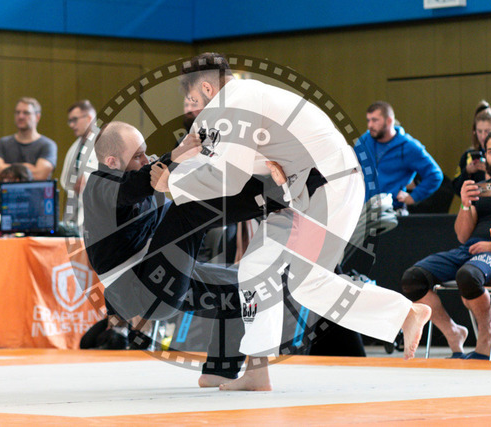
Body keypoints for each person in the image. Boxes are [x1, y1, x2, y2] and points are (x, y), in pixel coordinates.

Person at [149, 53, 430, 391]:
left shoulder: (238, 103)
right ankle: (257, 371)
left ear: (207, 89)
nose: (192, 108)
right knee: (254, 268)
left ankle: (405, 314)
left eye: (193, 99)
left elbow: (229, 178)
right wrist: (177, 162)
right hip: (299, 195)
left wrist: (172, 182)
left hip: (328, 187)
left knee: (307, 282)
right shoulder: (240, 102)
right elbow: (217, 159)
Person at [84, 121, 256, 387]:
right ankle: (267, 200)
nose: (146, 159)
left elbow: (159, 182)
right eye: (138, 156)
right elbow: (135, 185)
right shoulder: (99, 185)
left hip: (159, 283)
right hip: (140, 289)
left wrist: (198, 155)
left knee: (242, 285)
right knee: (186, 208)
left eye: (146, 152)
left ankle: (220, 371)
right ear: (112, 162)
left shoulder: (145, 186)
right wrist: (175, 156)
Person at [401, 129, 491, 360]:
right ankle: (453, 332)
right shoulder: (482, 188)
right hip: (469, 250)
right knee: (413, 278)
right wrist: (465, 204)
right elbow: (462, 235)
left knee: (468, 276)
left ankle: (486, 336)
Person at [354, 101, 443, 211]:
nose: (370, 125)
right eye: (368, 120)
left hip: (392, 210)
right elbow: (352, 170)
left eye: (375, 120)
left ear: (389, 121)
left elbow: (435, 175)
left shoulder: (409, 147)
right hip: (363, 209)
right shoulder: (364, 141)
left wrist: (413, 197)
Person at [0, 97, 57, 180]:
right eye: (17, 112)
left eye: (26, 113)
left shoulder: (47, 145)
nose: (20, 116)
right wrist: (27, 168)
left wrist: (9, 169)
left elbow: (40, 175)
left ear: (37, 117)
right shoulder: (2, 143)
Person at [451, 102, 491, 196]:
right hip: (473, 203)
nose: (483, 136)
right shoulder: (469, 155)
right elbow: (456, 189)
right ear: (475, 131)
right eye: (479, 131)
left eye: (487, 131)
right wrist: (467, 172)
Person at [60, 100, 98, 196]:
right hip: (79, 201)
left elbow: (114, 175)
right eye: (70, 121)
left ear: (89, 118)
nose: (71, 125)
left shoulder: (106, 142)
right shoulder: (75, 147)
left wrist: (87, 179)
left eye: (75, 119)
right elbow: (66, 180)